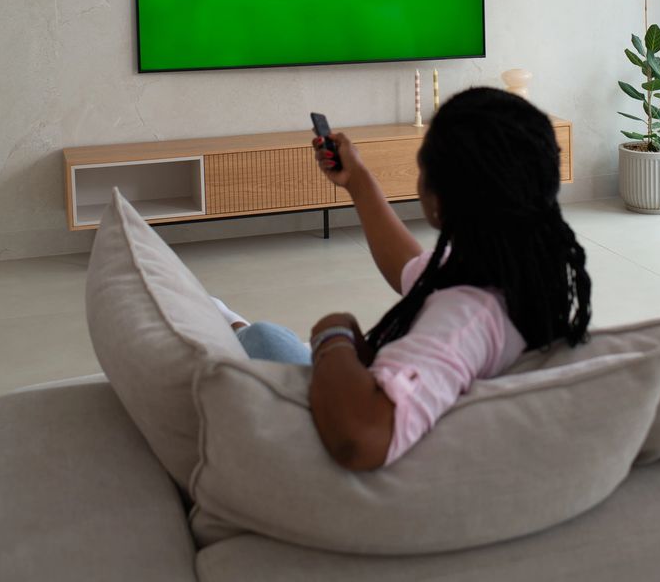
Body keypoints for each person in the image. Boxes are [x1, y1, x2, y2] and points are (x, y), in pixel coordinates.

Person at [212, 86, 592, 471]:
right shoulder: (515, 272)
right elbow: (413, 267)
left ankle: (229, 325)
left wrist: (333, 333)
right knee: (262, 337)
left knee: (263, 338)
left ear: (440, 197)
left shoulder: (463, 319)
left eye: (423, 164)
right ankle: (229, 323)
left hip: (331, 437)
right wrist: (357, 179)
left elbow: (360, 437)